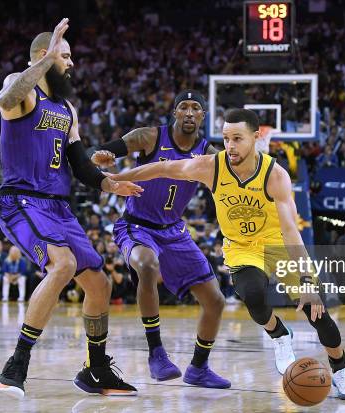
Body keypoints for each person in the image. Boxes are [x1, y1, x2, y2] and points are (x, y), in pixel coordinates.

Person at [110, 108, 345, 399]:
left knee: (316, 313)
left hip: (278, 243)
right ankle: (279, 334)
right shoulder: (212, 167)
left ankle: (341, 370)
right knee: (253, 295)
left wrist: (307, 283)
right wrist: (116, 178)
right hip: (242, 248)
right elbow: (163, 168)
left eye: (237, 139)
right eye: (226, 138)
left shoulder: (274, 174)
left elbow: (292, 231)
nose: (230, 145)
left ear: (255, 138)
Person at [0, 19, 142, 398]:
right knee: (64, 265)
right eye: (66, 55)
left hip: (59, 206)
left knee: (99, 283)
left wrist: (109, 183)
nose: (72, 63)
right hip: (22, 200)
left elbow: (78, 163)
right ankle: (17, 363)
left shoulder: (67, 108)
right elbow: (5, 101)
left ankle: (95, 370)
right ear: (44, 57)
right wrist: (44, 60)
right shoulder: (20, 88)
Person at [91, 91, 229, 388]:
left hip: (175, 231)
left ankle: (199, 368)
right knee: (147, 265)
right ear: (175, 113)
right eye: (184, 107)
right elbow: (111, 149)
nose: (190, 112)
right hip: (137, 227)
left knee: (216, 301)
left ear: (203, 116)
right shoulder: (150, 137)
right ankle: (156, 352)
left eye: (196, 108)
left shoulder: (209, 153)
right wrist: (104, 154)